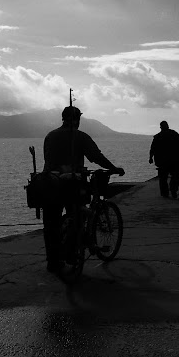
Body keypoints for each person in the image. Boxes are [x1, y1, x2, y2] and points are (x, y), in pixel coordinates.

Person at [42, 106, 125, 273]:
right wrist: (114, 168)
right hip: (72, 184)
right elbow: (96, 157)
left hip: (50, 183)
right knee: (77, 217)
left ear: (63, 118)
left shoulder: (50, 136)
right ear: (77, 120)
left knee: (51, 224)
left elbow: (49, 160)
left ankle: (53, 262)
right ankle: (72, 254)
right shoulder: (80, 137)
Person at [149, 120, 179, 199]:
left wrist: (150, 157)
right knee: (175, 176)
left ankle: (166, 192)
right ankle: (172, 189)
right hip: (173, 160)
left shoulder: (159, 136)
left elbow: (152, 149)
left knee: (164, 178)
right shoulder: (172, 134)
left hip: (164, 161)